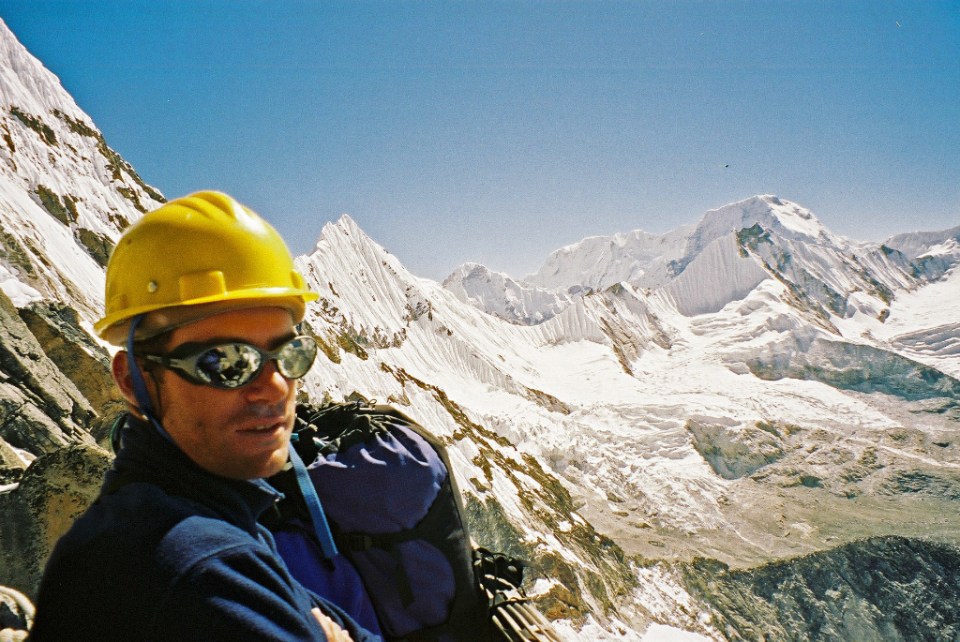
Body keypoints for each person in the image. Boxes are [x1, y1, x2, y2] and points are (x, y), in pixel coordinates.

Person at [29, 191, 380, 641]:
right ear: (134, 381)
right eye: (226, 362)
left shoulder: (201, 515)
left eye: (290, 353)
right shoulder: (198, 568)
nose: (274, 386)